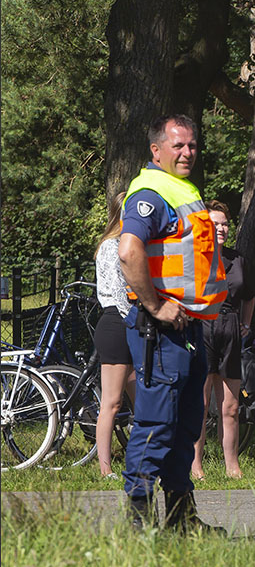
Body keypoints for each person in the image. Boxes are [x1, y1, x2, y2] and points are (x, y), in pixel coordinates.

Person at [118, 114, 228, 532]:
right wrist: (156, 305)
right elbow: (129, 252)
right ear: (156, 150)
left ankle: (181, 522)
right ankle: (139, 527)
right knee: (155, 426)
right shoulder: (151, 191)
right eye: (178, 145)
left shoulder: (183, 191)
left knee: (184, 429)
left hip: (189, 330)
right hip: (161, 332)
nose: (187, 152)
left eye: (192, 145)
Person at [190, 200, 255, 481]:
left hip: (230, 326)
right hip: (202, 326)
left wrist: (244, 323)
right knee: (200, 405)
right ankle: (195, 465)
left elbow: (250, 294)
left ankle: (232, 465)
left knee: (230, 406)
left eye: (225, 224)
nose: (221, 228)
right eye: (215, 223)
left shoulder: (238, 258)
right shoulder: (194, 256)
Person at [93, 194, 137, 481]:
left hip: (132, 321)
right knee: (112, 402)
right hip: (117, 322)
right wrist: (134, 319)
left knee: (143, 400)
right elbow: (119, 294)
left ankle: (143, 459)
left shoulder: (131, 245)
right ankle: (105, 467)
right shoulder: (111, 247)